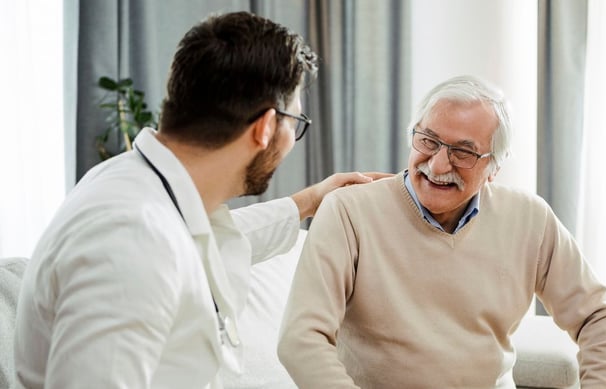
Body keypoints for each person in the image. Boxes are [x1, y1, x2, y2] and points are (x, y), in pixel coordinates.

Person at [14, 11, 385, 389]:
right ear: (266, 127)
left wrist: (308, 202)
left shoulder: (142, 188)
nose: (292, 138)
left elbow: (207, 236)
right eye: (296, 124)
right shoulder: (132, 239)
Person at [278, 75, 606, 388]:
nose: (438, 165)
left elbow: (598, 317)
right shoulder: (348, 211)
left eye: (463, 152)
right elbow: (301, 339)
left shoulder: (529, 218)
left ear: (494, 167)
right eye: (428, 141)